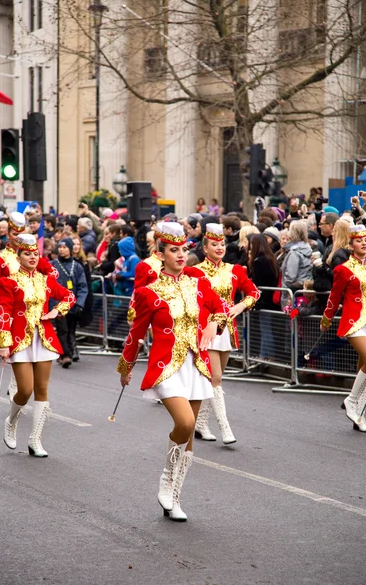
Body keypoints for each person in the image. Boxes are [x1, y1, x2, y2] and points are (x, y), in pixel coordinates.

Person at [117, 222, 227, 522]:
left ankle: (174, 496)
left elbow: (221, 309)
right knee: (186, 422)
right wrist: (125, 367)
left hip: (196, 365)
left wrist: (213, 324)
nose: (181, 255)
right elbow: (136, 333)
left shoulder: (199, 282)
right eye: (173, 250)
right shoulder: (148, 293)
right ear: (160, 253)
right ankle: (167, 477)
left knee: (189, 435)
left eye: (183, 250)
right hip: (166, 367)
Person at [0, 234, 75, 456]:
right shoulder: (9, 282)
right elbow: (4, 312)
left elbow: (69, 296)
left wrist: (56, 311)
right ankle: (11, 421)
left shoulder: (45, 280)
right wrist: (4, 343)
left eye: (35, 254)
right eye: (27, 254)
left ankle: (35, 440)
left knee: (42, 389)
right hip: (20, 339)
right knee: (25, 389)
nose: (32, 257)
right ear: (18, 256)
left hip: (44, 338)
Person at [192, 224, 260, 444]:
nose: (219, 248)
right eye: (214, 244)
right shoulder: (195, 272)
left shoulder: (235, 270)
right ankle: (225, 428)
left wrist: (240, 306)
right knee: (216, 378)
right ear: (205, 248)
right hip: (206, 330)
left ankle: (200, 424)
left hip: (227, 330)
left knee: (211, 379)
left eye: (222, 244)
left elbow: (254, 292)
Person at [0, 212, 58, 400]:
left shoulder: (32, 255)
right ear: (8, 234)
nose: (16, 237)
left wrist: (43, 284)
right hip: (9, 309)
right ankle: (18, 385)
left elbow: (53, 273)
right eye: (13, 234)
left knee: (28, 351)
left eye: (20, 234)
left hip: (30, 309)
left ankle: (19, 386)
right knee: (15, 350)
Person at [320, 224, 366, 433]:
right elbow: (334, 296)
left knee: (365, 368)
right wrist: (326, 318)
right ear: (351, 244)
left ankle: (359, 416)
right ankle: (351, 401)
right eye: (359, 241)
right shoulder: (343, 269)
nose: (364, 244)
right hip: (353, 321)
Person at [51, 238, 88, 367]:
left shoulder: (77, 266)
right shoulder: (53, 265)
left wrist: (80, 303)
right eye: (60, 247)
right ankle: (66, 355)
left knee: (71, 329)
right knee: (62, 329)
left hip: (73, 303)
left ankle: (65, 353)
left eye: (65, 247)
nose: (61, 250)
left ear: (70, 249)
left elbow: (83, 286)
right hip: (58, 304)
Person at [248, 234, 279, 361]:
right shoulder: (270, 258)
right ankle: (263, 355)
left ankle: (269, 356)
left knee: (265, 329)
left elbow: (258, 282)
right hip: (269, 298)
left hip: (263, 299)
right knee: (265, 328)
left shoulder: (259, 261)